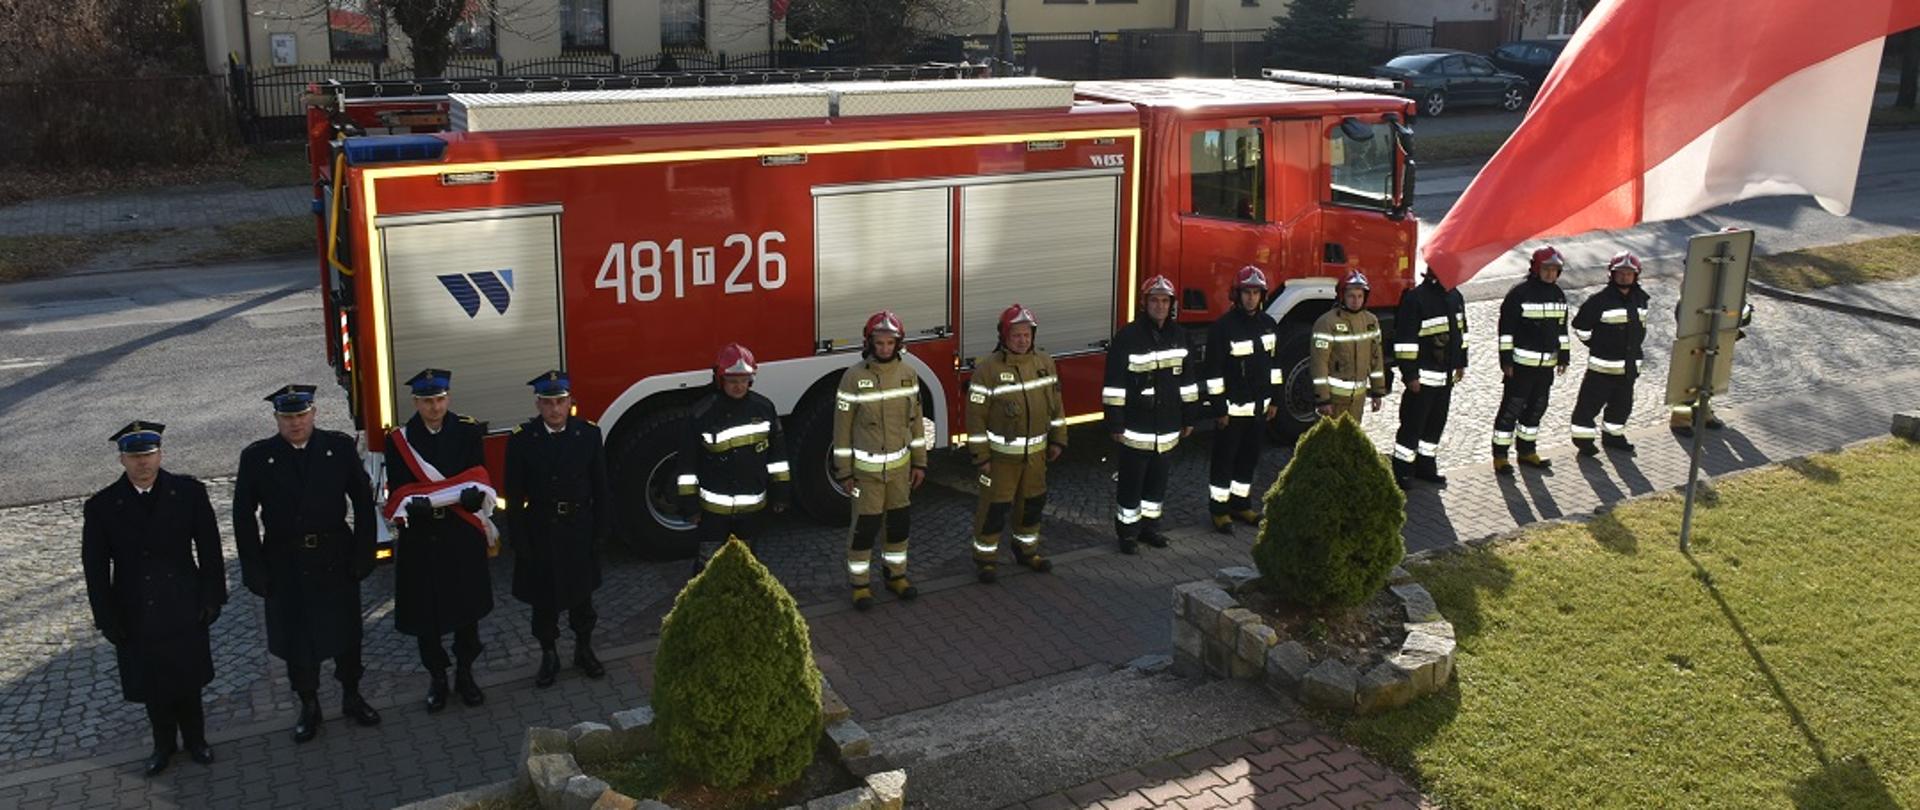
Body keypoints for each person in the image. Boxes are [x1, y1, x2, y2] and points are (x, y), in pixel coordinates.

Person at [234, 385, 381, 743]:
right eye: (288, 417)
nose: (296, 423)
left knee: (346, 634)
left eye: (301, 415)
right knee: (298, 639)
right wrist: (254, 568)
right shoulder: (258, 457)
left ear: (314, 414)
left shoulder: (338, 448)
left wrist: (365, 553)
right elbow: (243, 516)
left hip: (334, 556)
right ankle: (309, 704)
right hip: (286, 561)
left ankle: (351, 694)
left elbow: (363, 502)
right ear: (277, 420)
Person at [84, 422, 226, 776]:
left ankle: (196, 740)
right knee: (154, 684)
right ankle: (163, 745)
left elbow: (210, 549)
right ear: (122, 460)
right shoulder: (102, 507)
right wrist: (107, 617)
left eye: (148, 455)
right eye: (134, 457)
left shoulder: (188, 493)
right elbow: (96, 569)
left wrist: (212, 595)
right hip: (136, 609)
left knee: (187, 679)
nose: (143, 464)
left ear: (160, 454)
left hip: (183, 602)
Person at [382, 368, 497, 712]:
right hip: (423, 540)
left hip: (460, 534)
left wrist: (476, 496)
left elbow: (478, 472)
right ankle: (437, 677)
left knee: (466, 609)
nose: (434, 407)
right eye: (427, 401)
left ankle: (465, 673)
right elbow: (398, 488)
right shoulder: (399, 440)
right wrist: (410, 507)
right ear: (416, 402)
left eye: (440, 399)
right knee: (426, 616)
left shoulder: (466, 430)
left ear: (448, 398)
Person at [506, 370, 610, 689]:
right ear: (538, 405)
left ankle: (584, 649)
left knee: (582, 596)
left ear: (570, 403)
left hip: (578, 527)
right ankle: (549, 655)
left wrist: (601, 532)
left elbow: (601, 487)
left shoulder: (588, 435)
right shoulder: (523, 439)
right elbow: (513, 495)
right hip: (542, 530)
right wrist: (520, 542)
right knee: (544, 600)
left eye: (561, 402)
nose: (555, 410)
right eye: (548, 403)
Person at [833, 312, 927, 610]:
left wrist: (920, 462)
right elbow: (842, 429)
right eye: (879, 342)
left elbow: (916, 425)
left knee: (899, 525)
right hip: (866, 475)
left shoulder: (908, 375)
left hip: (900, 471)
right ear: (869, 342)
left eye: (890, 343)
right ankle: (860, 585)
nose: (885, 348)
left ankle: (896, 576)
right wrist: (845, 473)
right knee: (865, 528)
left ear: (898, 344)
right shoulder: (853, 378)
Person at [966, 304, 1067, 582]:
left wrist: (1058, 439)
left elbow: (1056, 406)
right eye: (1016, 335)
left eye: (1026, 335)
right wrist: (981, 456)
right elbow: (975, 419)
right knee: (994, 509)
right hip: (999, 460)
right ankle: (985, 559)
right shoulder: (987, 370)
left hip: (1035, 457)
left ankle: (1027, 550)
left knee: (1032, 504)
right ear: (1004, 337)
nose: (1022, 341)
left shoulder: (1045, 364)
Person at [1103, 275, 1198, 553]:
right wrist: (1115, 422)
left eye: (1165, 300)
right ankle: (1127, 534)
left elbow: (1189, 381)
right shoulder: (1127, 337)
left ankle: (1150, 529)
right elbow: (1114, 385)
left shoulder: (1179, 336)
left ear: (1172, 305)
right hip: (1136, 427)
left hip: (1168, 427)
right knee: (1131, 485)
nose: (1160, 305)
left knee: (1157, 484)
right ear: (1144, 303)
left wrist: (1190, 417)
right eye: (1154, 300)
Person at [677, 344, 790, 573]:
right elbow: (687, 465)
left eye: (744, 379)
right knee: (707, 567)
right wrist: (690, 507)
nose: (739, 386)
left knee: (747, 564)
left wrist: (782, 493)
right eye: (732, 380)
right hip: (713, 514)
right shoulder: (702, 414)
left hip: (752, 508)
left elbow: (778, 457)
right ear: (720, 379)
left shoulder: (764, 408)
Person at [1202, 266, 1280, 532]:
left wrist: (1275, 401)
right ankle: (1219, 511)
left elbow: (1275, 368)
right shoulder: (1223, 328)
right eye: (1246, 292)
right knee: (1224, 461)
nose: (1250, 298)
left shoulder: (1269, 325)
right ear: (1237, 295)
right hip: (1231, 411)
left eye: (1255, 292)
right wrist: (1219, 408)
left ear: (1262, 295)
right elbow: (1212, 374)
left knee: (1249, 459)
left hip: (1258, 410)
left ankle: (1241, 505)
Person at [1492, 246, 1571, 475]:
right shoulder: (1519, 294)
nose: (1550, 273)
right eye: (1546, 269)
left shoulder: (1558, 295)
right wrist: (1506, 361)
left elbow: (1561, 330)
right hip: (1520, 368)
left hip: (1545, 368)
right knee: (1511, 410)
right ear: (1536, 269)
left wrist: (1563, 356)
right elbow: (1506, 331)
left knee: (1536, 409)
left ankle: (1527, 451)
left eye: (1555, 270)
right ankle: (1500, 456)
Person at [1391, 269, 1470, 488]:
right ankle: (1402, 471)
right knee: (1412, 426)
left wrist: (1461, 362)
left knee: (1435, 425)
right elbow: (1405, 340)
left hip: (1445, 379)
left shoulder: (1455, 296)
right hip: (1422, 380)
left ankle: (1426, 466)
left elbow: (1462, 332)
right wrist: (1410, 375)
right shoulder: (1416, 298)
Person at [1571, 252, 1652, 456]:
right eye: (1620, 273)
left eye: (1629, 273)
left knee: (1622, 406)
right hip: (1602, 367)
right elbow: (1581, 327)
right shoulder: (1599, 301)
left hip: (1628, 368)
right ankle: (1584, 441)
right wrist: (1598, 345)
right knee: (1588, 406)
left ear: (1636, 276)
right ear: (1612, 274)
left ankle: (1613, 436)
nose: (1624, 277)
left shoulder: (1641, 299)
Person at [1310, 270, 1388, 422]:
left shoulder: (1371, 322)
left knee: (1351, 441)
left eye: (1360, 296)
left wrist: (1378, 391)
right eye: (1351, 296)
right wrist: (1323, 399)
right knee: (1331, 443)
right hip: (1334, 401)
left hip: (1358, 400)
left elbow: (1376, 360)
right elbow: (1319, 363)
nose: (1356, 301)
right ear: (1342, 296)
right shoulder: (1326, 323)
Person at [1670, 300, 1755, 436]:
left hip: (1719, 341)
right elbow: (1684, 319)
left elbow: (1742, 318)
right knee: (1689, 381)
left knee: (1709, 379)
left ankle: (1703, 414)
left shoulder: (1732, 295)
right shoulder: (1693, 296)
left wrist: (1740, 312)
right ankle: (1680, 421)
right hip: (1695, 343)